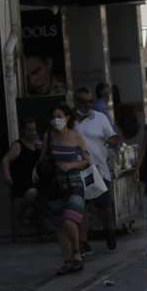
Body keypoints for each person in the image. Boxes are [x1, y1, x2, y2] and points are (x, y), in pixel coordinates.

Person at [34, 101, 91, 275]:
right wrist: (34, 170)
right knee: (59, 225)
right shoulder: (48, 137)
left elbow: (87, 161)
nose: (56, 120)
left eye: (59, 117)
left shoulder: (76, 136)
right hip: (54, 186)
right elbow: (42, 159)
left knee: (68, 220)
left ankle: (77, 254)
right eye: (53, 117)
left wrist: (71, 166)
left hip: (74, 185)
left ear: (67, 118)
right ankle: (67, 261)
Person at [73, 87, 124, 255]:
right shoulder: (69, 120)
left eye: (89, 101)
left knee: (103, 205)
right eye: (83, 101)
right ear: (76, 101)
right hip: (77, 170)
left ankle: (108, 229)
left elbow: (110, 139)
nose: (87, 104)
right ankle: (84, 242)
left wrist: (115, 141)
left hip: (98, 170)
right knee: (82, 207)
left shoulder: (100, 118)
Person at [1, 117, 41, 225]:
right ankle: (21, 213)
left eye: (33, 130)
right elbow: (5, 159)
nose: (31, 133)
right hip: (21, 182)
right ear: (23, 130)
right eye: (29, 130)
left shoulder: (37, 146)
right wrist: (7, 175)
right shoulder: (18, 145)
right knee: (33, 193)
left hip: (35, 181)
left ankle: (35, 216)